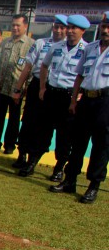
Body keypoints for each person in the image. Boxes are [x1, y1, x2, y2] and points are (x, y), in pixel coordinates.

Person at [50, 11, 109, 203]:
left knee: (101, 145)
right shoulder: (90, 48)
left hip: (105, 102)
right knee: (78, 143)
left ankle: (93, 185)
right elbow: (80, 76)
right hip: (86, 100)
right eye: (104, 27)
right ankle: (70, 180)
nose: (106, 30)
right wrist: (74, 101)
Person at [22, 14, 90, 178]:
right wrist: (42, 87)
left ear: (82, 31)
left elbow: (86, 74)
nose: (70, 31)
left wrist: (80, 94)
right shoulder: (56, 47)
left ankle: (59, 168)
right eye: (69, 28)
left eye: (74, 28)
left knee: (65, 136)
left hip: (69, 96)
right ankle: (32, 162)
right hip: (52, 93)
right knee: (42, 130)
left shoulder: (87, 50)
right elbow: (44, 66)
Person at [11, 14, 67, 170]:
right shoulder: (41, 43)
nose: (58, 30)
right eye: (56, 27)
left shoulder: (72, 48)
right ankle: (22, 154)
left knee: (46, 127)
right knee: (28, 122)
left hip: (56, 90)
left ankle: (35, 159)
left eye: (62, 28)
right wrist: (18, 89)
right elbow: (27, 67)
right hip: (36, 86)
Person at [0, 14, 34, 155]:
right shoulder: (5, 43)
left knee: (13, 119)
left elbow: (31, 68)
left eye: (18, 25)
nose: (15, 28)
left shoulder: (31, 45)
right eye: (13, 25)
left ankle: (10, 145)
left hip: (16, 89)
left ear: (25, 26)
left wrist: (26, 87)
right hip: (1, 86)